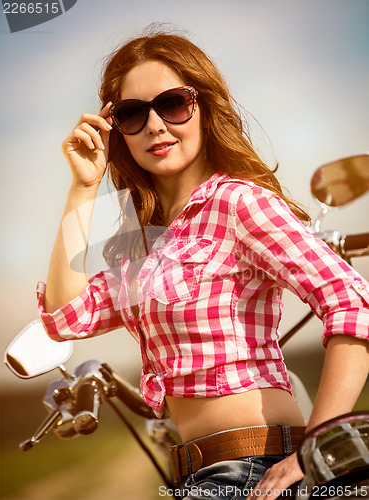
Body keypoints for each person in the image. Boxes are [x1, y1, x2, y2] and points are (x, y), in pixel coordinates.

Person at [37, 27, 369, 500]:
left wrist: (318, 449)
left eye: (172, 104)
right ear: (116, 130)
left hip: (254, 467)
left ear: (203, 107)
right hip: (197, 475)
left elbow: (352, 303)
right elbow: (66, 316)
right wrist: (83, 186)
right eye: (132, 113)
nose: (154, 125)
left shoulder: (238, 202)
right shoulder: (142, 247)